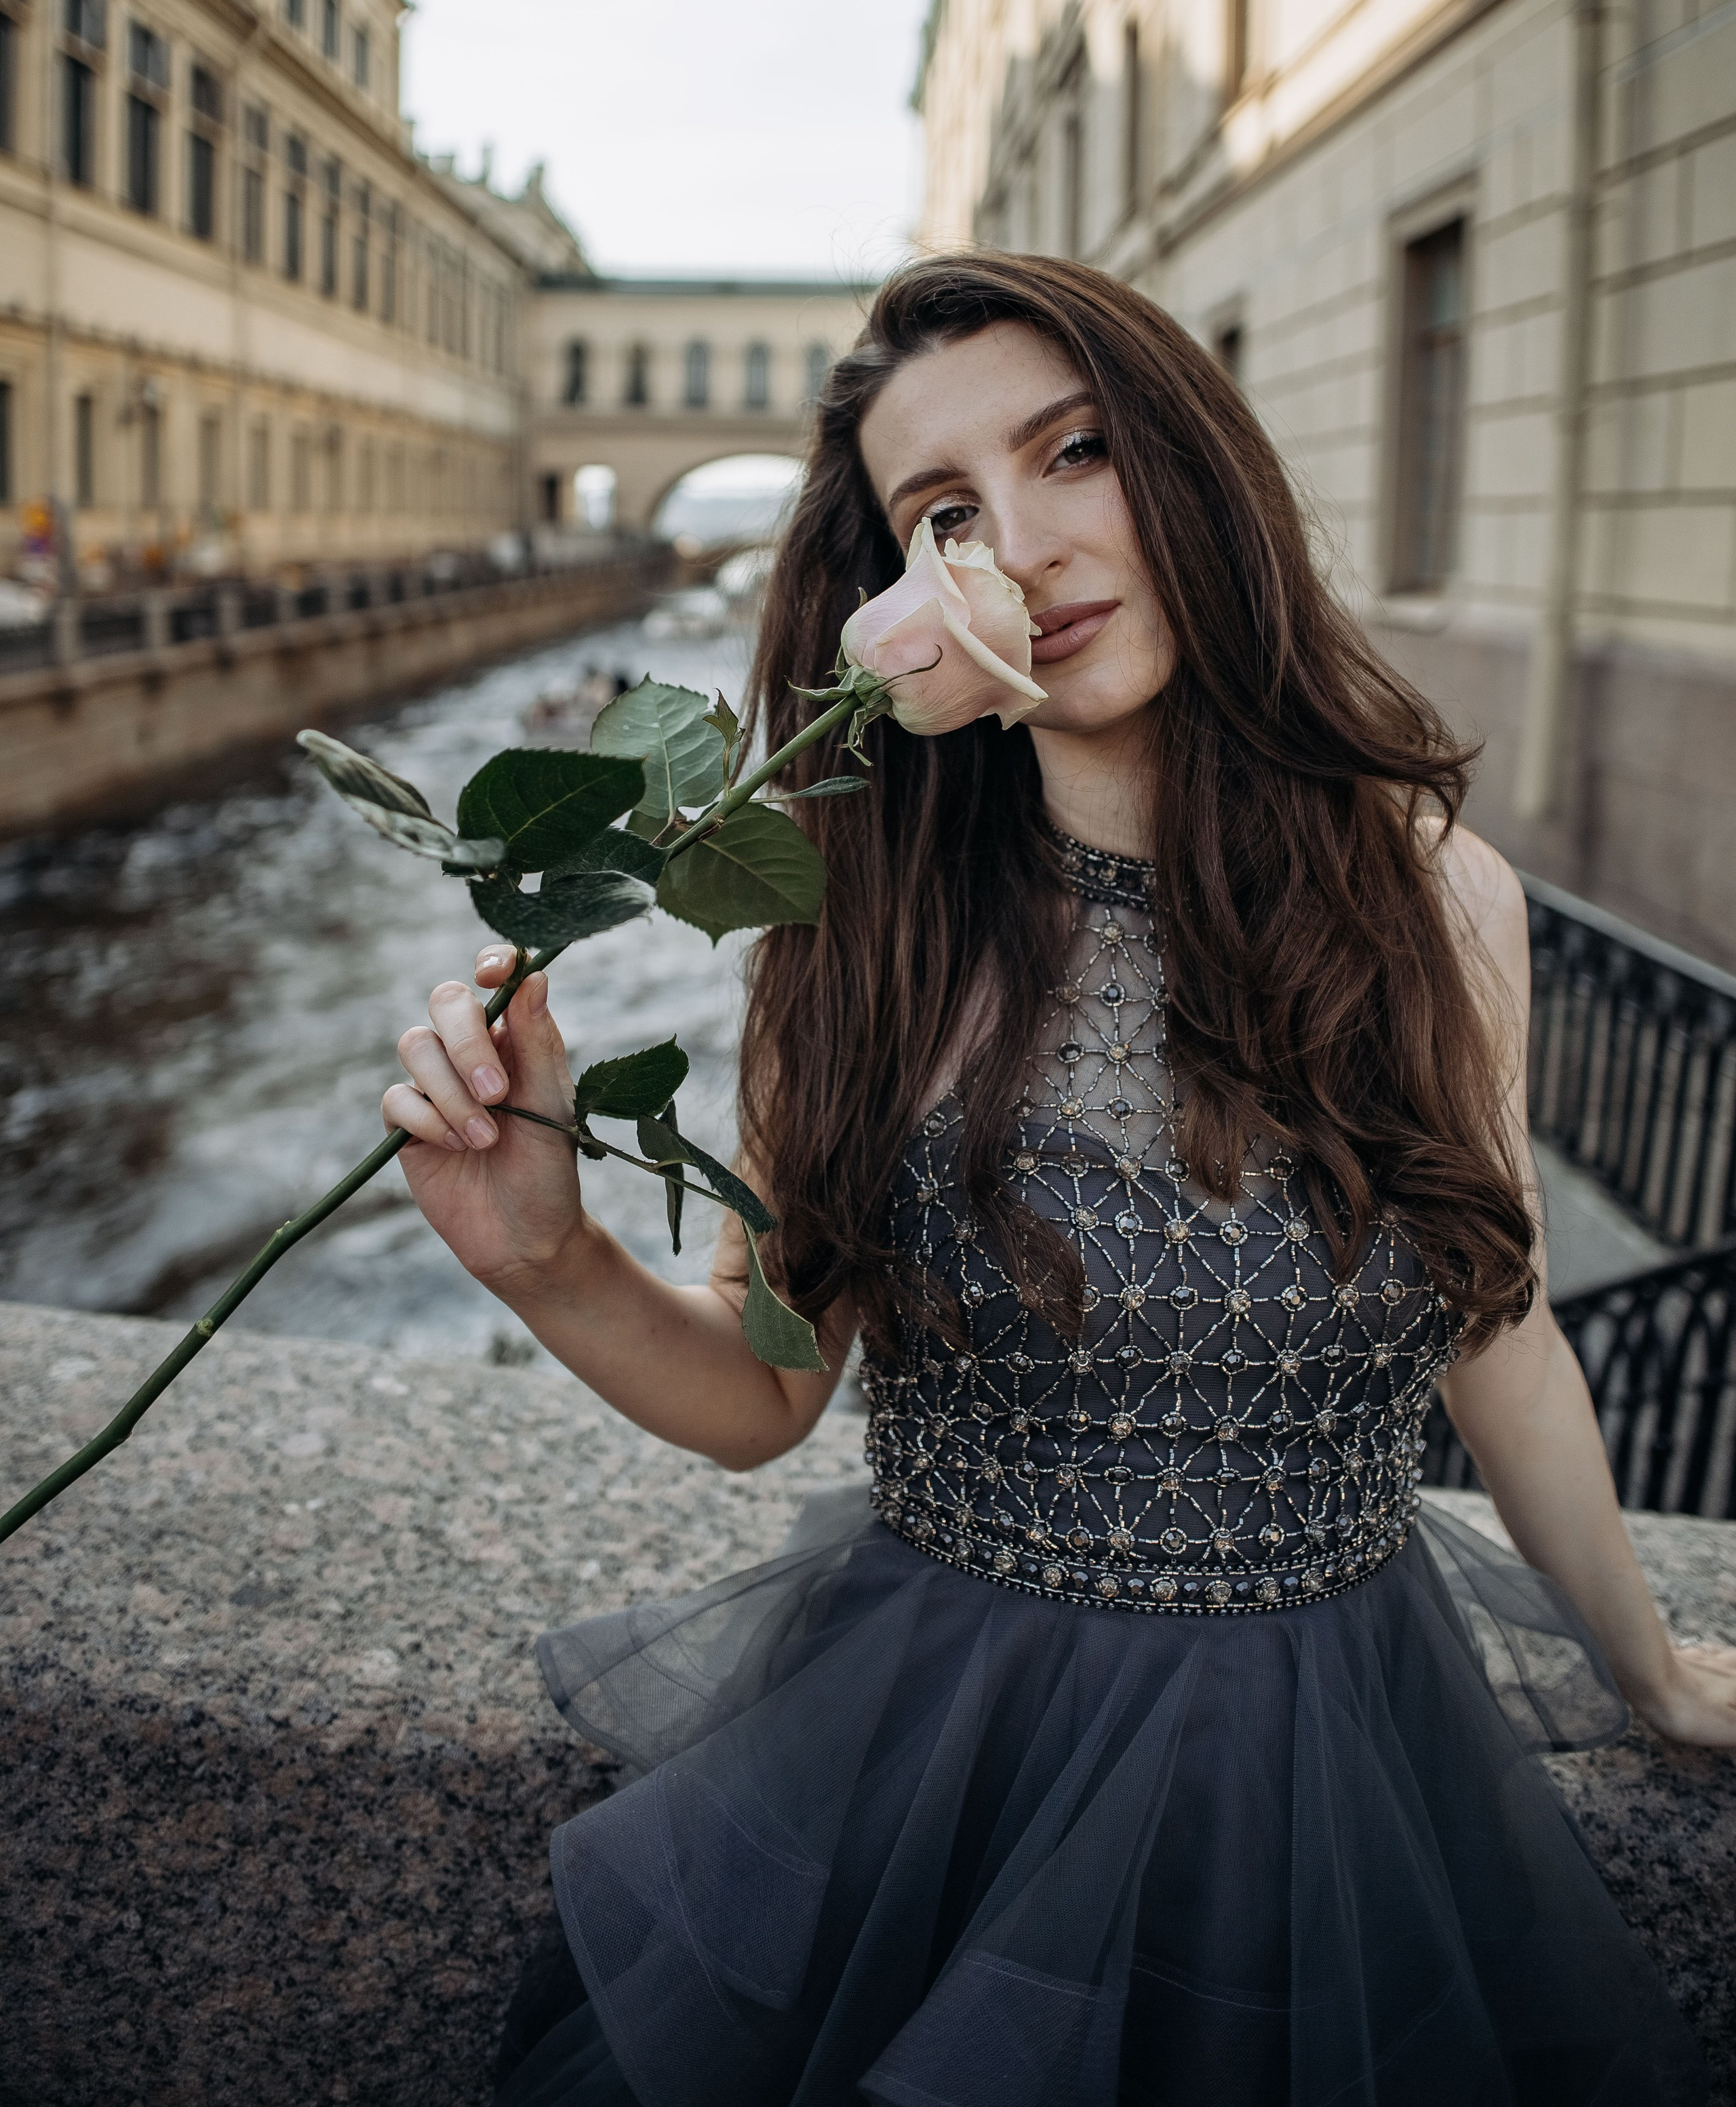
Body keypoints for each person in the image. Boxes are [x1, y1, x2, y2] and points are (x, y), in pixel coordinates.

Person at [382, 254, 1735, 2107]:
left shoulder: (1438, 903)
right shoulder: (856, 930)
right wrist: (551, 1260)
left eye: (1074, 452)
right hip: (953, 1755)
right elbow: (770, 1388)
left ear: (1191, 463)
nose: (1019, 547)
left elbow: (1499, 1341)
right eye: (945, 515)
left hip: (1343, 1765)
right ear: (895, 604)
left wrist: (1651, 1670)